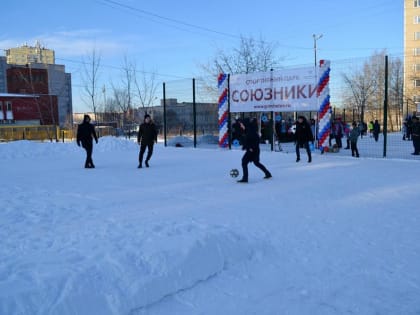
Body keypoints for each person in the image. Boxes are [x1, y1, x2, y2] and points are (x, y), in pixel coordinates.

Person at [237, 118, 272, 183]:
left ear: (244, 124)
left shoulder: (250, 130)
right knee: (256, 163)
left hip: (253, 150)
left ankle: (245, 178)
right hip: (253, 150)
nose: (241, 125)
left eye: (241, 124)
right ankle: (268, 174)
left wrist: (251, 148)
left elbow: (256, 140)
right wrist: (245, 146)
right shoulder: (247, 130)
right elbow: (247, 141)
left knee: (244, 162)